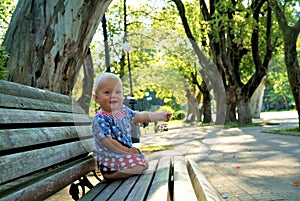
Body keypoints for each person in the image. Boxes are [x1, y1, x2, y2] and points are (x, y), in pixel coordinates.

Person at [92, 72, 172, 181]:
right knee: (141, 164)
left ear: (122, 95)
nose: (113, 95)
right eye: (107, 92)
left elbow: (141, 116)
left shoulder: (123, 111)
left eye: (118, 92)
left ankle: (124, 170)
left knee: (143, 162)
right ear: (96, 98)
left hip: (122, 157)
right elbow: (109, 142)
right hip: (110, 160)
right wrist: (128, 151)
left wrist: (159, 116)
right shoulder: (100, 119)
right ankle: (110, 176)